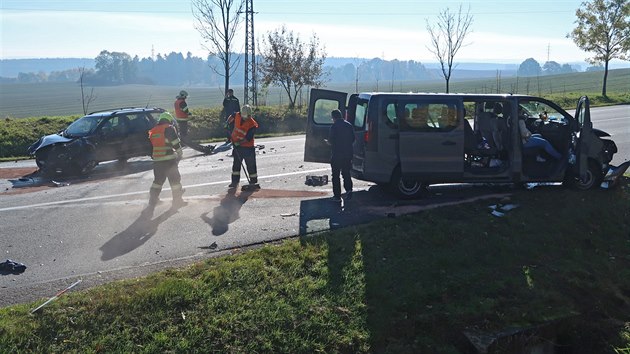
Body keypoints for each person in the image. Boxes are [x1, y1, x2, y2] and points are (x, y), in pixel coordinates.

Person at [146, 112, 186, 212]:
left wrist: (154, 157)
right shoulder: (169, 128)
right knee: (175, 181)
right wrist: (180, 153)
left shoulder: (153, 131)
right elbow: (175, 143)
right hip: (169, 161)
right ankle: (177, 201)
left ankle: (153, 200)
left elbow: (151, 147)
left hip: (157, 161)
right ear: (169, 120)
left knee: (158, 181)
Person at [226, 104, 259, 190]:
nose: (245, 119)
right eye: (244, 117)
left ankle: (253, 182)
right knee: (236, 165)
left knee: (251, 165)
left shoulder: (252, 124)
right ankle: (234, 182)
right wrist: (227, 123)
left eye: (247, 117)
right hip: (237, 146)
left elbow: (248, 138)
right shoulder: (237, 115)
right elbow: (231, 116)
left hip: (248, 147)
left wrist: (239, 143)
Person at [174, 90, 214, 154]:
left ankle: (183, 141)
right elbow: (185, 110)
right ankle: (185, 141)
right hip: (183, 120)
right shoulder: (182, 102)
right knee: (184, 135)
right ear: (183, 96)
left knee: (182, 134)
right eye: (185, 96)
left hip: (179, 119)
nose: (186, 98)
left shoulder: (176, 102)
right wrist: (190, 115)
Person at [327, 109, 355, 201]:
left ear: (334, 117)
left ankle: (337, 196)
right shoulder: (348, 125)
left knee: (335, 175)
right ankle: (349, 190)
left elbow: (331, 141)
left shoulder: (334, 127)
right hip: (347, 154)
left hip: (337, 154)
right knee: (346, 173)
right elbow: (353, 139)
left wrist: (327, 142)